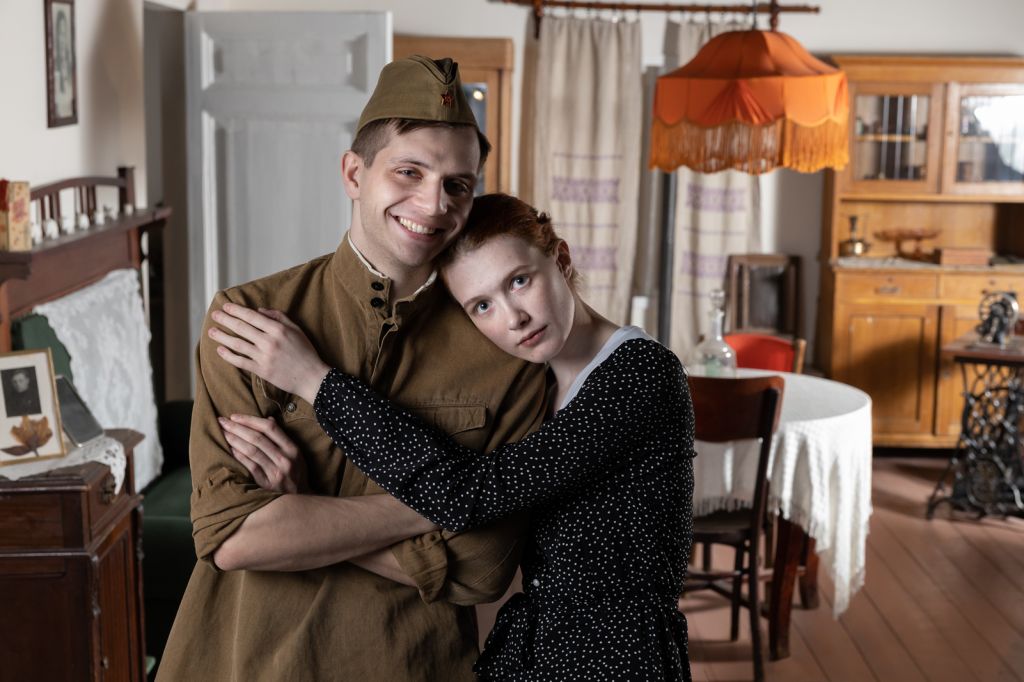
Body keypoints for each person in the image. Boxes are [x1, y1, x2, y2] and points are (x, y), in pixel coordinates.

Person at [156, 57, 548, 682]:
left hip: (409, 667)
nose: (434, 204)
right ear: (354, 173)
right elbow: (232, 536)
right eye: (409, 172)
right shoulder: (246, 319)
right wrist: (451, 500)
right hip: (243, 660)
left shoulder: (508, 353)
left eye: (458, 184)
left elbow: (482, 570)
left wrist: (301, 507)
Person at [211, 193, 696, 681]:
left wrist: (314, 381)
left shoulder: (640, 372)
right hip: (541, 651)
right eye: (482, 305)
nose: (513, 317)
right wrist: (312, 511)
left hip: (619, 660)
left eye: (519, 281)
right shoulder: (539, 387)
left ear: (561, 260)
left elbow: (470, 495)